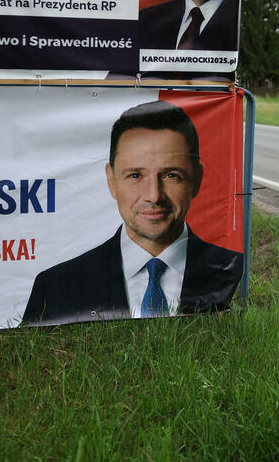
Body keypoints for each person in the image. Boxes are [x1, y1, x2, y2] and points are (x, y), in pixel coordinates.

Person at [21, 100, 244, 326]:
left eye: (171, 175)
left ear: (196, 180)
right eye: (135, 175)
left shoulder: (231, 270)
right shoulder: (53, 287)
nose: (154, 196)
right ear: (111, 180)